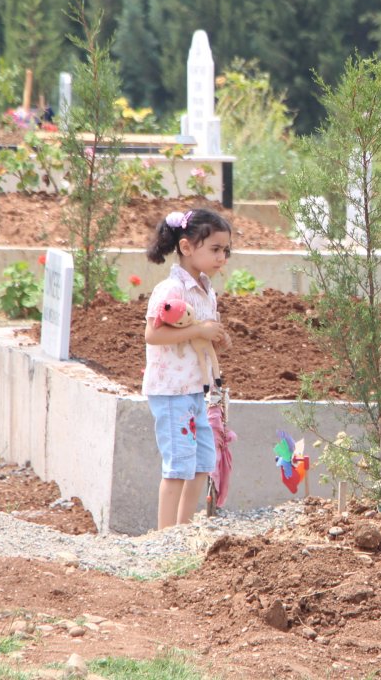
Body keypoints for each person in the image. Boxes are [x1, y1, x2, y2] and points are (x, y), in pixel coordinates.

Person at [143, 208, 233, 529]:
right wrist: (198, 332)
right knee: (178, 465)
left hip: (197, 389)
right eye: (215, 249)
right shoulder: (172, 290)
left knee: (202, 461)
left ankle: (183, 528)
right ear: (186, 247)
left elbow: (204, 332)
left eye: (225, 250)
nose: (222, 257)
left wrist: (216, 338)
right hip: (172, 391)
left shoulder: (206, 289)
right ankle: (166, 536)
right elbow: (153, 334)